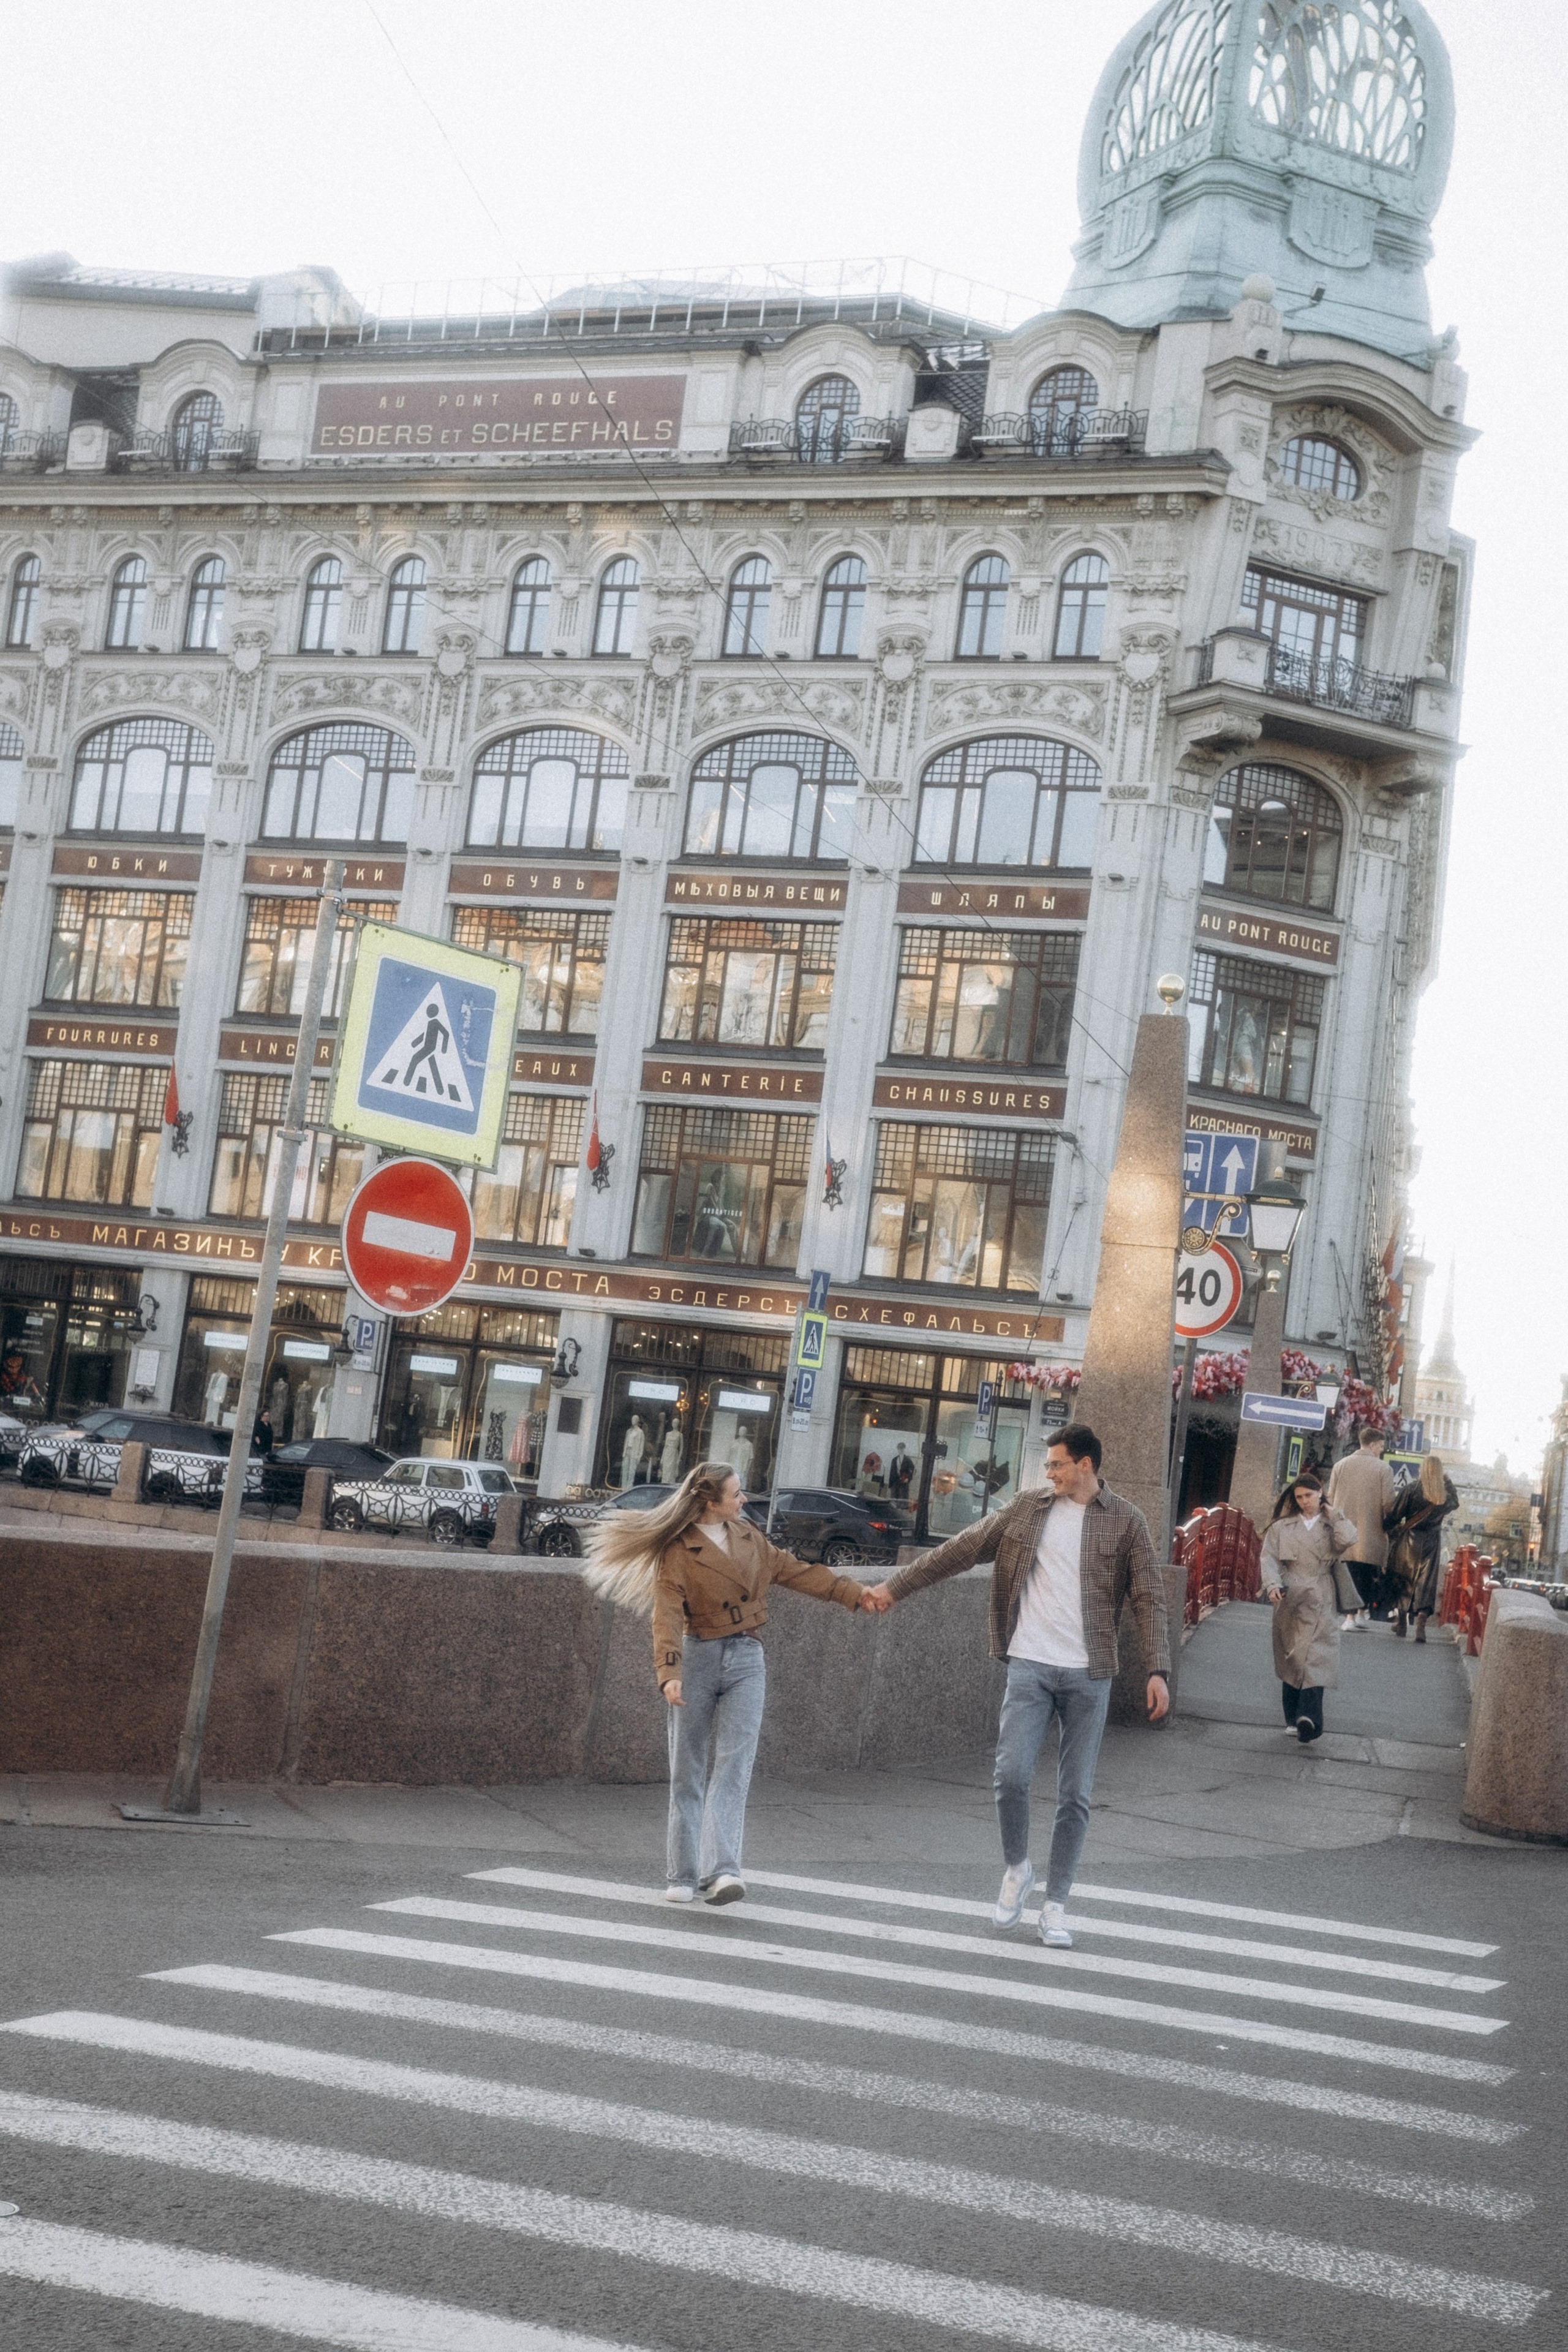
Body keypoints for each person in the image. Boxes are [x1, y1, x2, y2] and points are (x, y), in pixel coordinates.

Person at [862, 1423, 1169, 1949]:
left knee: (1075, 1795)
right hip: (1029, 1661)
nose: (1048, 1473)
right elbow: (961, 1549)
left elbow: (1149, 1598)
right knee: (1011, 1775)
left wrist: (1158, 1668)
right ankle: (1017, 1868)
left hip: (1090, 1672)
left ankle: (1056, 1905)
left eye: (1057, 1464)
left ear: (1087, 1465)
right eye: (1048, 1465)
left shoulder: (1126, 1521)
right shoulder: (1028, 1508)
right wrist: (895, 1586)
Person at [584, 1460, 879, 1905]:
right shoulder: (679, 1551)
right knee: (688, 1773)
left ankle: (723, 1871)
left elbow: (799, 1571)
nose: (744, 1500)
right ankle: (682, 1874)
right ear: (710, 1501)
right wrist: (669, 1673)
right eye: (736, 1494)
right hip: (698, 1657)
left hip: (747, 1657)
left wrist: (856, 1595)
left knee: (735, 1767)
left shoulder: (749, 1538)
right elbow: (665, 1614)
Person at [1260, 1468, 1357, 1743]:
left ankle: (1310, 1718)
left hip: (1321, 1593)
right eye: (1299, 1496)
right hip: (1290, 1593)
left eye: (1309, 1495)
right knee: (1292, 1654)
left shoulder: (1332, 1525)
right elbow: (1268, 1558)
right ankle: (1292, 1716)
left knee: (1317, 1655)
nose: (1304, 1501)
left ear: (1321, 1493)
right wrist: (1272, 1585)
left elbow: (1349, 1539)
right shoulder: (1282, 1527)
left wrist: (1334, 1513)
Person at [1325, 1425, 1397, 1628]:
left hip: (1344, 1530)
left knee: (1348, 1572)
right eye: (1381, 1446)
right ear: (1373, 1444)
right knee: (1366, 1573)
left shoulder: (1340, 1465)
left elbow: (1330, 1497)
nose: (1382, 1450)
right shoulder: (1384, 1469)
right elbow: (1388, 1503)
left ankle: (1349, 1617)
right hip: (1371, 1531)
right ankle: (1358, 1615)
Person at [1384, 1455, 1460, 1641]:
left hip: (1409, 1541)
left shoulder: (1411, 1489)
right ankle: (1421, 1628)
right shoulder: (1443, 1496)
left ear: (1422, 1470)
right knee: (1426, 1584)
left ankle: (1402, 1623)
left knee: (1405, 1579)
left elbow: (1395, 1515)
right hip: (1432, 1543)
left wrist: (1385, 1527)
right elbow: (1456, 1502)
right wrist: (1448, 1481)